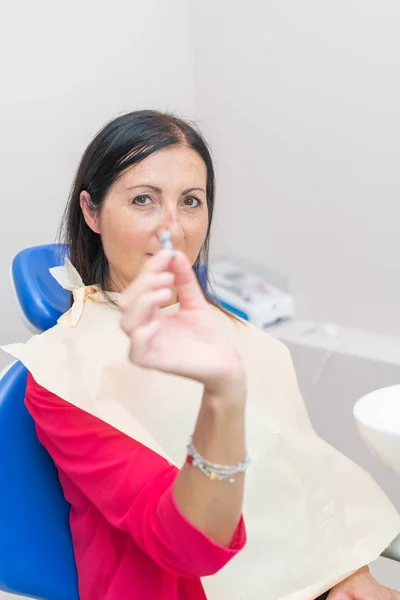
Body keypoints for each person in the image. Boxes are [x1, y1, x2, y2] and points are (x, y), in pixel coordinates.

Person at [3, 110, 400, 600]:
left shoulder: (227, 325)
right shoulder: (61, 373)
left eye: (191, 201)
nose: (174, 230)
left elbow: (295, 462)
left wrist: (346, 570)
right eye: (143, 200)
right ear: (91, 211)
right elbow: (188, 547)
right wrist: (222, 395)